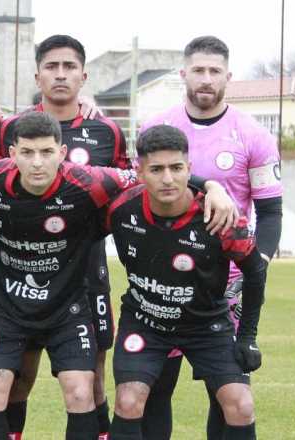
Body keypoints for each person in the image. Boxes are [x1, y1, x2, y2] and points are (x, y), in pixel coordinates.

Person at [0, 111, 237, 440]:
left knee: (80, 391)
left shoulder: (91, 181)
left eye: (45, 153)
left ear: (62, 153)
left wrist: (209, 185)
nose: (37, 162)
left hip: (66, 311)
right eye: (27, 152)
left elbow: (151, 174)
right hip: (5, 308)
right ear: (12, 155)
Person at [138, 35, 283, 440]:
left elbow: (270, 212)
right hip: (162, 280)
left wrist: (259, 265)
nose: (206, 79)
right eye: (198, 70)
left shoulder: (252, 134)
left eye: (214, 71)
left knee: (229, 394)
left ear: (228, 77)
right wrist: (210, 186)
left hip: (226, 285)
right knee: (154, 389)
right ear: (183, 73)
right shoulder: (156, 127)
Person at [0, 34, 130, 440]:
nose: (61, 74)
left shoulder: (107, 132)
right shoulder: (11, 130)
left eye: (69, 67)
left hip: (86, 278)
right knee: (18, 378)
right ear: (38, 75)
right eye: (52, 66)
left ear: (84, 76)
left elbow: (128, 191)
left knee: (92, 378)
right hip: (20, 280)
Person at [104, 125, 265, 440]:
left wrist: (247, 336)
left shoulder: (218, 217)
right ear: (139, 172)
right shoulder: (120, 208)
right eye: (157, 169)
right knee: (129, 399)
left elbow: (256, 270)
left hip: (206, 325)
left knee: (240, 404)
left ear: (189, 169)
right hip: (144, 321)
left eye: (176, 168)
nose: (167, 179)